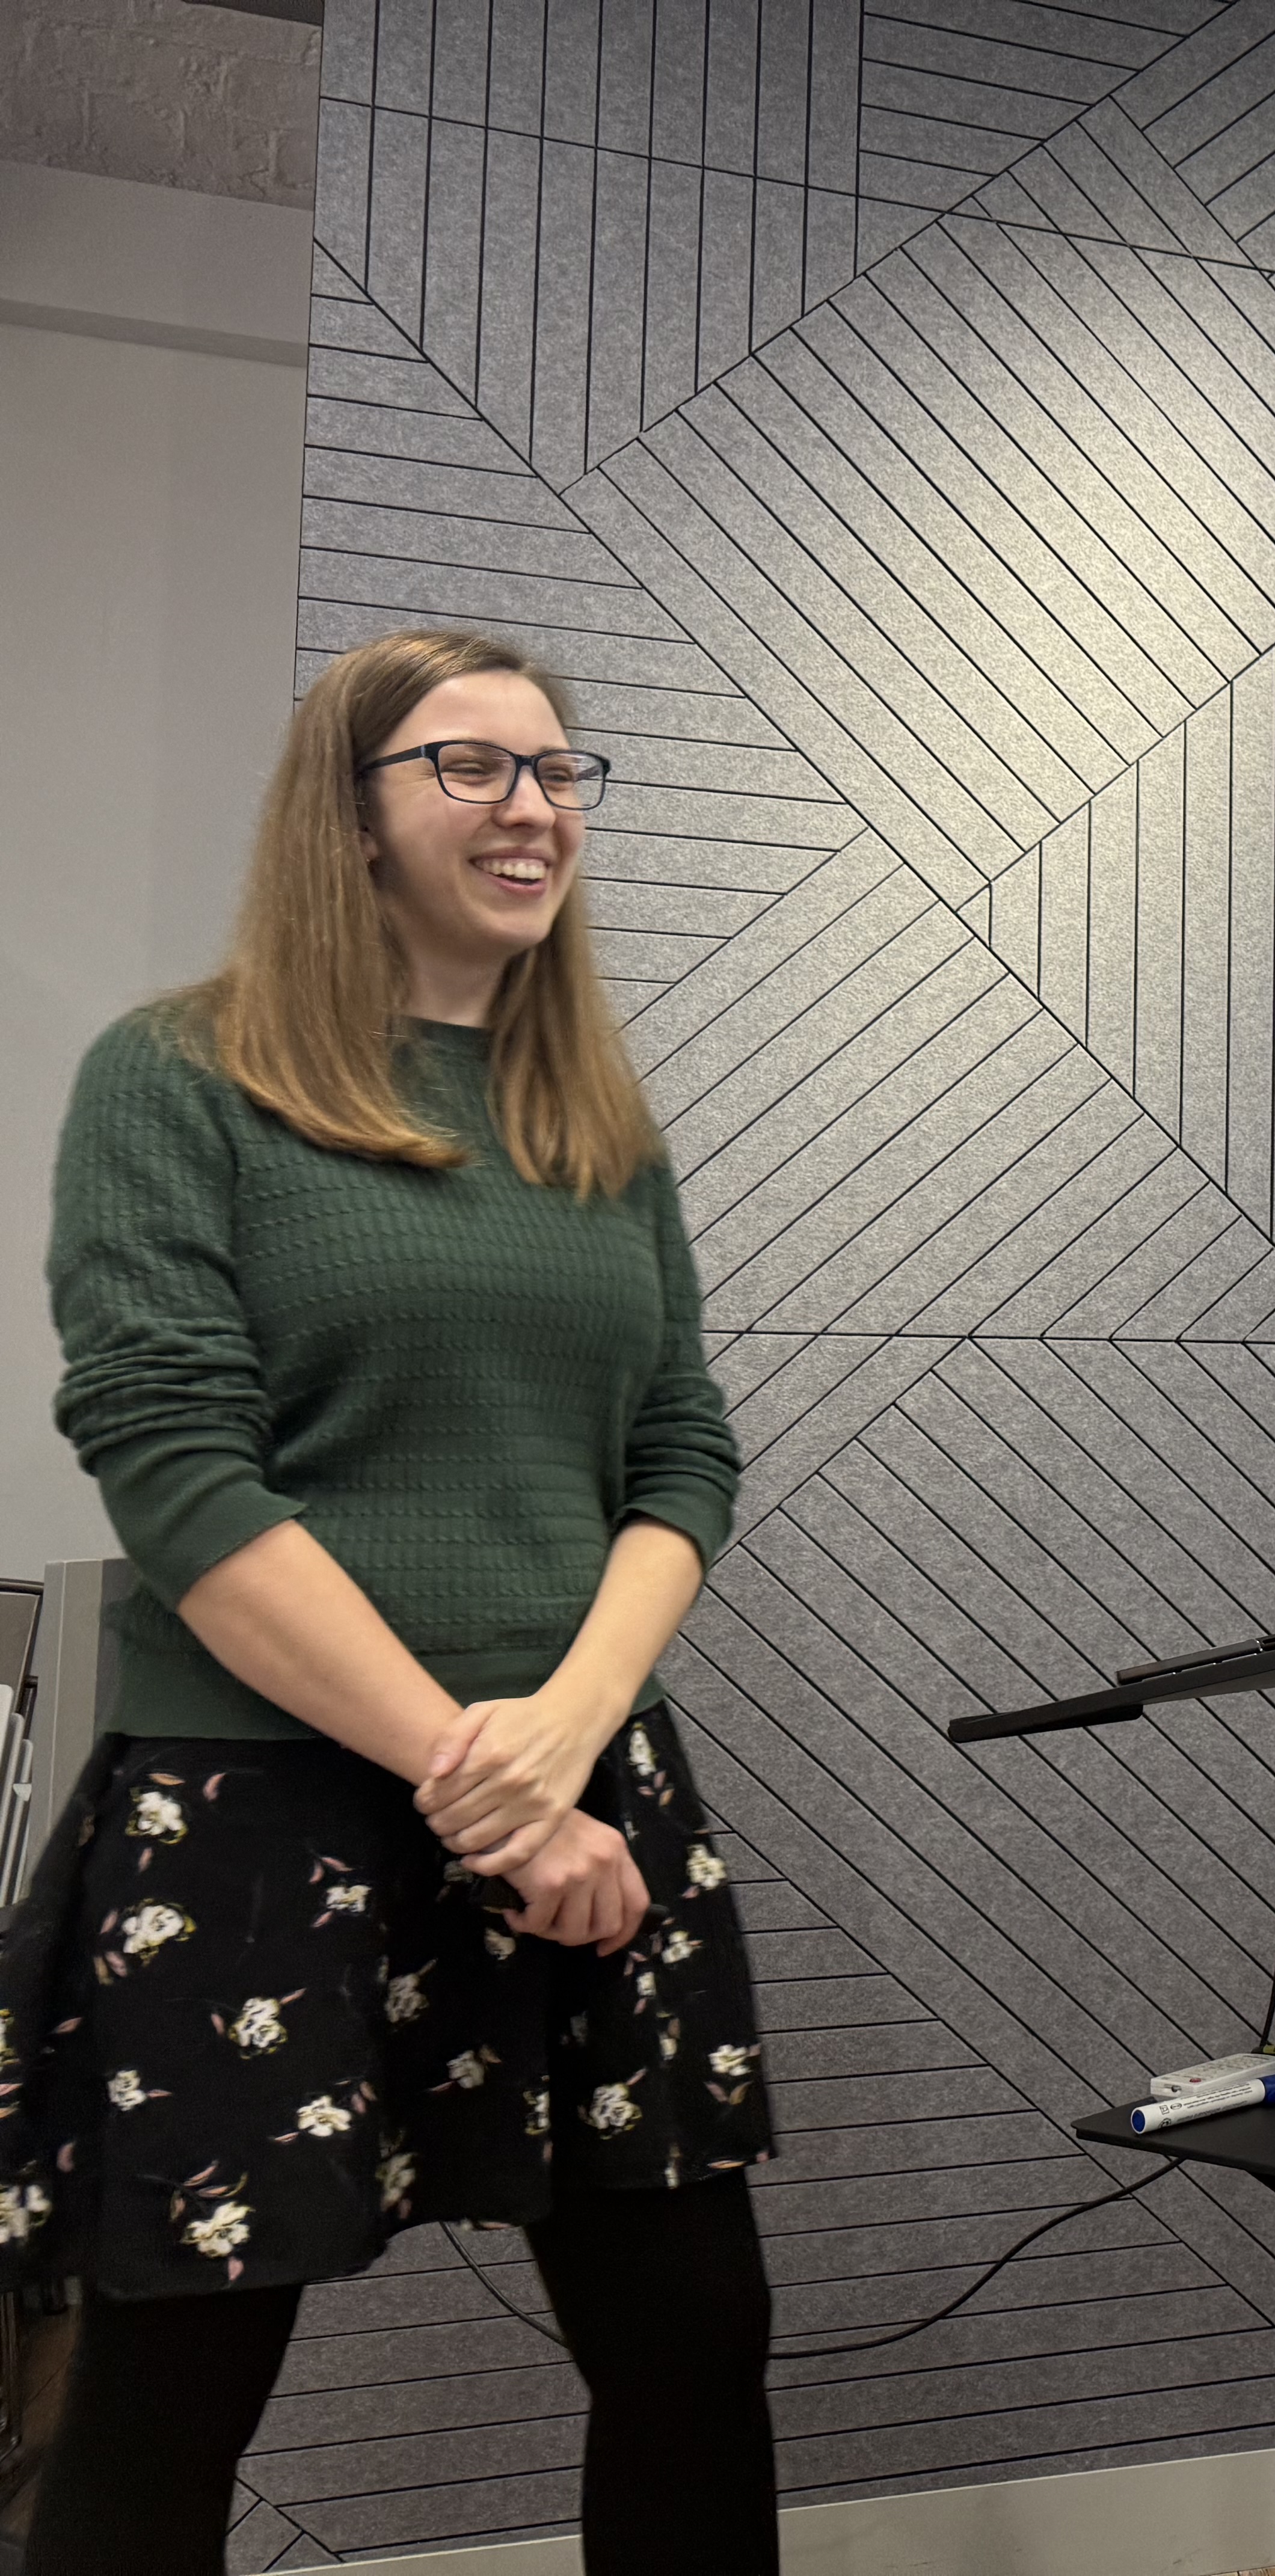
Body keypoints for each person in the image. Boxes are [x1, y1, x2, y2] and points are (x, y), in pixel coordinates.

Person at [7, 629, 778, 2572]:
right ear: (348, 813)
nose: (534, 807)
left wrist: (566, 1738)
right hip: (262, 1808)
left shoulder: (596, 1121)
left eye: (559, 771)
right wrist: (480, 1776)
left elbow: (683, 1449)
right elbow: (178, 1469)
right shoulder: (178, 1077)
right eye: (472, 765)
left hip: (584, 1792)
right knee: (172, 2388)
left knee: (695, 2339)